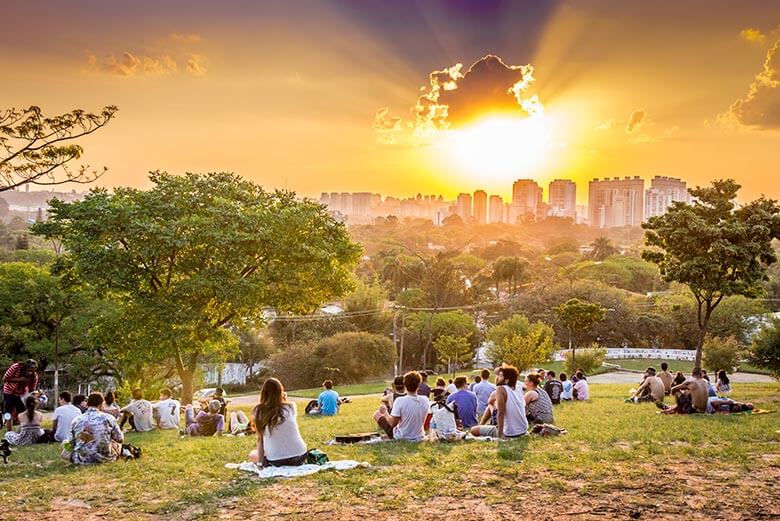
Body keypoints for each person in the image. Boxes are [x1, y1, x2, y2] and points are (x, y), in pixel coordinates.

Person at [249, 378, 308, 467]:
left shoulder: (258, 411)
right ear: (281, 391)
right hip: (299, 455)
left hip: (276, 460)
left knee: (252, 454)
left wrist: (260, 463)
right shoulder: (291, 407)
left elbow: (260, 440)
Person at [62, 392, 124, 464]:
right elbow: (120, 439)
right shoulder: (109, 418)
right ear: (101, 404)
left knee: (65, 443)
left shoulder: (76, 420)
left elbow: (71, 442)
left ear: (87, 404)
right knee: (115, 444)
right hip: (106, 458)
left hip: (81, 459)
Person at [471, 365, 528, 439]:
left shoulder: (500, 389)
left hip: (510, 432)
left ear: (507, 380)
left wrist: (500, 435)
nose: (498, 377)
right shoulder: (519, 386)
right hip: (523, 429)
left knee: (473, 430)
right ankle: (484, 425)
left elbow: (501, 413)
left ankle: (482, 425)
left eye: (500, 376)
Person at [374, 371, 429, 441]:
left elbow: (392, 423)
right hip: (419, 435)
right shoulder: (425, 400)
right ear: (419, 385)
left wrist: (385, 412)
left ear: (405, 385)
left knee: (377, 414)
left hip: (401, 436)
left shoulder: (400, 401)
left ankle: (389, 436)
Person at [3, 359, 38, 431]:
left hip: (20, 394)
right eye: (28, 370)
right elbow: (4, 379)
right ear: (24, 367)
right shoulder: (16, 367)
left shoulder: (34, 377)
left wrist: (33, 399)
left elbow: (31, 390)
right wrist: (20, 380)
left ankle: (24, 431)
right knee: (8, 412)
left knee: (23, 412)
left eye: (32, 371)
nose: (29, 373)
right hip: (9, 391)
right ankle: (9, 432)